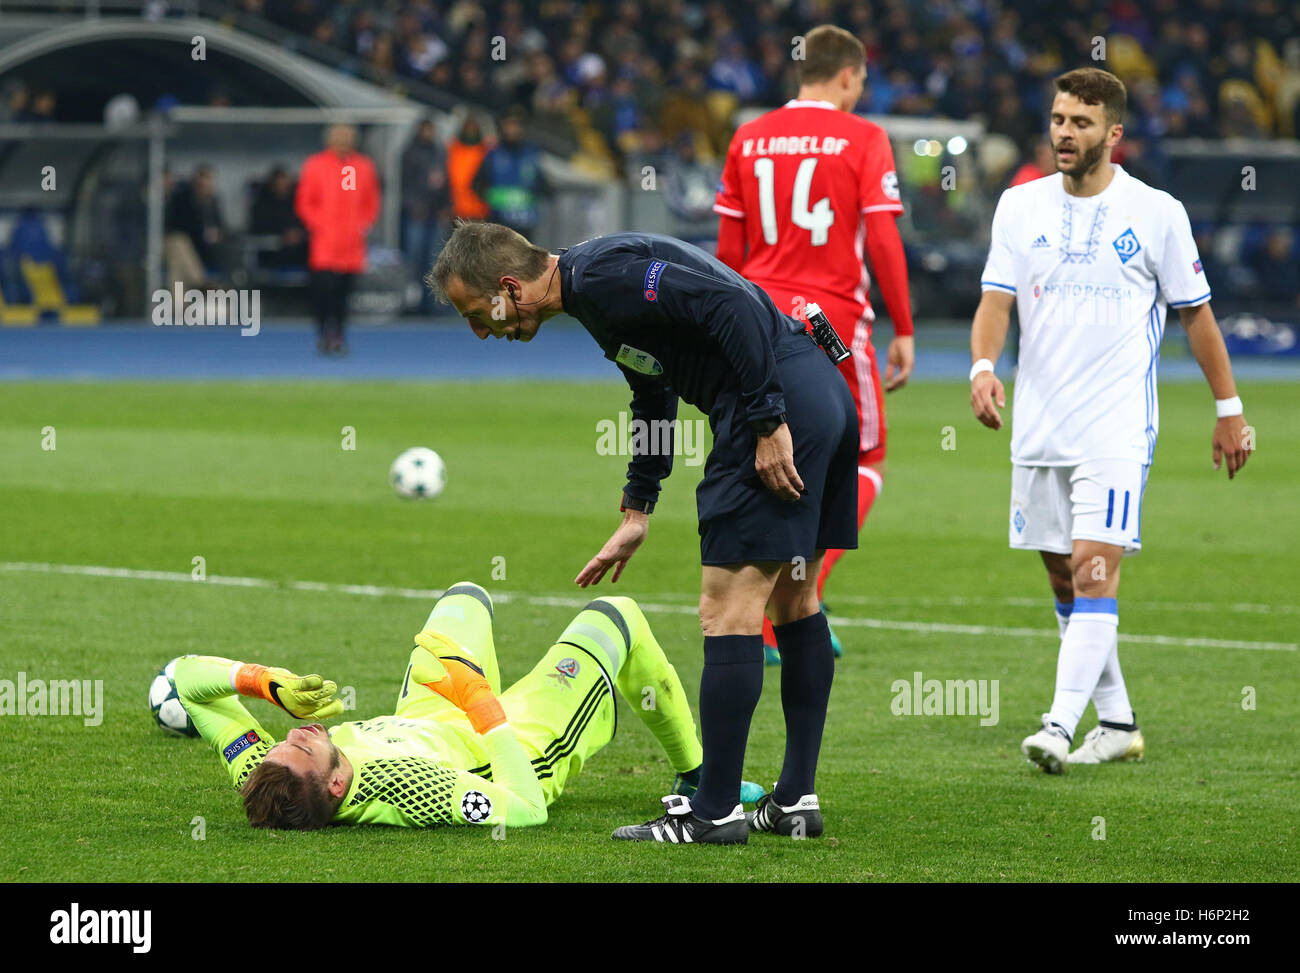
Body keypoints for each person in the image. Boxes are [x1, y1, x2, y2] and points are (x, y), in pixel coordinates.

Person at [428, 222, 859, 844]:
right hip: (819, 394)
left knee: (726, 610)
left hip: (777, 404)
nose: (479, 330)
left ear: (507, 287)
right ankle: (794, 801)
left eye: (478, 313)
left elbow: (731, 302)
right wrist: (639, 506)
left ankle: (713, 813)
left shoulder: (604, 277)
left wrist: (766, 419)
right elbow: (652, 388)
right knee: (795, 600)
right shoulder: (593, 289)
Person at [969, 67, 1252, 774]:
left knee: (1094, 572)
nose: (1066, 132)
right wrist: (981, 369)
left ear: (1114, 134)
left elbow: (1198, 316)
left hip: (1116, 428)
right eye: (1060, 119)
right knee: (1066, 580)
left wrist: (1230, 410)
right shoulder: (1019, 206)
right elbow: (996, 302)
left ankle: (1059, 724)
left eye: (1082, 123)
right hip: (1038, 426)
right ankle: (1118, 721)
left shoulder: (1157, 211)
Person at [176, 583, 711, 829]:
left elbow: (186, 679)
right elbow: (525, 809)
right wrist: (478, 700)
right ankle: (696, 774)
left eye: (285, 743)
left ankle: (474, 683)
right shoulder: (412, 790)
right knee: (616, 614)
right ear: (337, 785)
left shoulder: (264, 771)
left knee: (464, 597)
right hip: (512, 742)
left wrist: (262, 682)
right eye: (304, 749)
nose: (296, 734)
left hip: (429, 712)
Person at [714, 24, 914, 665]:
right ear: (850, 76)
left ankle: (758, 607)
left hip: (759, 319)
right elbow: (882, 239)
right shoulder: (864, 137)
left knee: (774, 455)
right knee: (864, 459)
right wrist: (904, 328)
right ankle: (795, 607)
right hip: (828, 323)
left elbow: (726, 254)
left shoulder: (749, 137)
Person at [295, 124, 380, 355]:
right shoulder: (315, 165)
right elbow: (305, 201)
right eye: (339, 138)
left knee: (344, 291)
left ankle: (339, 333)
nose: (343, 143)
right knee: (323, 290)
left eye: (348, 138)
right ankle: (323, 331)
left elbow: (370, 200)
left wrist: (363, 223)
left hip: (351, 242)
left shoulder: (362, 166)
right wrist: (318, 224)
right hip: (325, 242)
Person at [474, 106, 548, 239]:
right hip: (499, 225)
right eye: (508, 125)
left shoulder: (532, 153)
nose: (512, 129)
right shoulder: (493, 154)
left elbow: (543, 185)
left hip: (526, 225)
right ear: (501, 127)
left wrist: (537, 193)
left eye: (516, 125)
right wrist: (490, 199)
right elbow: (476, 184)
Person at [400, 118, 449, 308]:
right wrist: (413, 205)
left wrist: (446, 206)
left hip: (436, 213)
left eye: (431, 130)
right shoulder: (410, 153)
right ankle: (411, 299)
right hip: (416, 213)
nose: (428, 133)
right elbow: (405, 184)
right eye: (425, 130)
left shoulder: (439, 153)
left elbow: (446, 182)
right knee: (414, 256)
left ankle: (432, 301)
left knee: (434, 258)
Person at [249, 165, 307, 270]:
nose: (282, 185)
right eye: (279, 182)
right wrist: (282, 236)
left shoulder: (297, 203)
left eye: (285, 181)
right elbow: (257, 229)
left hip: (299, 249)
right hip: (274, 251)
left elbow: (305, 223)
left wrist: (299, 235)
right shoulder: (261, 205)